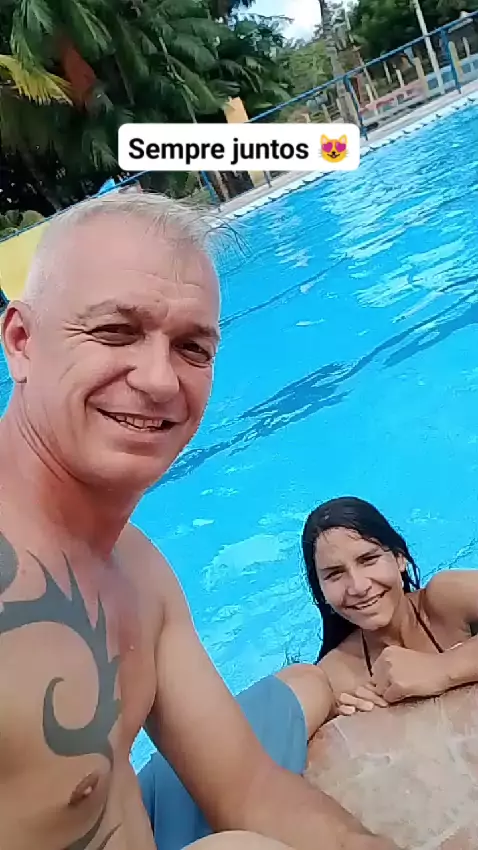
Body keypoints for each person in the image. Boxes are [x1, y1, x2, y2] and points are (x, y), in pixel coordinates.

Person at [0, 193, 399, 850]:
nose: (160, 381)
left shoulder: (136, 566)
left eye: (192, 347)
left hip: (140, 817)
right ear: (22, 342)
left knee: (306, 686)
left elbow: (246, 786)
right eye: (115, 331)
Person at [279, 496, 478, 739]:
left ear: (399, 558)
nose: (358, 586)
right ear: (321, 592)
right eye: (335, 574)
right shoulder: (336, 680)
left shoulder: (446, 600)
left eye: (368, 560)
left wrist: (441, 668)